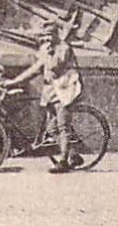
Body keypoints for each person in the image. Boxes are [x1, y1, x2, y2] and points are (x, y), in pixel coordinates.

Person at [5, 21, 85, 172]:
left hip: (65, 90)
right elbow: (35, 70)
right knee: (52, 129)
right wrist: (14, 82)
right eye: (44, 37)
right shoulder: (45, 50)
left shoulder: (63, 48)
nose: (47, 40)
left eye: (49, 36)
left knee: (63, 126)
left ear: (56, 35)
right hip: (51, 91)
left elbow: (55, 67)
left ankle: (63, 162)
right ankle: (74, 155)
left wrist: (47, 53)